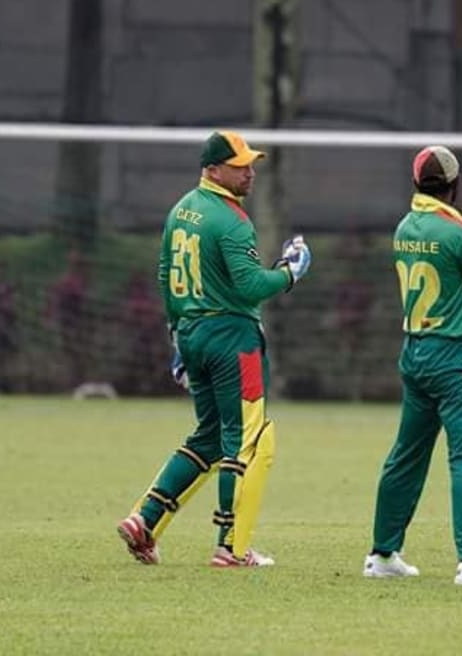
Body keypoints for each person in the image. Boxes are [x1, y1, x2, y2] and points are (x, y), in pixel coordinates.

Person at [117, 131, 311, 566]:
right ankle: (231, 547)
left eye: (250, 164)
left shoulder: (182, 209)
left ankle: (144, 520)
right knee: (245, 440)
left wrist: (178, 334)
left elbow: (167, 275)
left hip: (193, 333)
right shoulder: (231, 219)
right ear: (212, 170)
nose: (249, 172)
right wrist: (290, 272)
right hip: (232, 338)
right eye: (240, 165)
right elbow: (249, 288)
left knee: (207, 436)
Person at [363, 145, 462, 586]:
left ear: (416, 183)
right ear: (454, 186)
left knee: (406, 456)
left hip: (415, 354)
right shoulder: (457, 233)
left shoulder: (404, 227)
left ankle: (382, 553)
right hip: (457, 359)